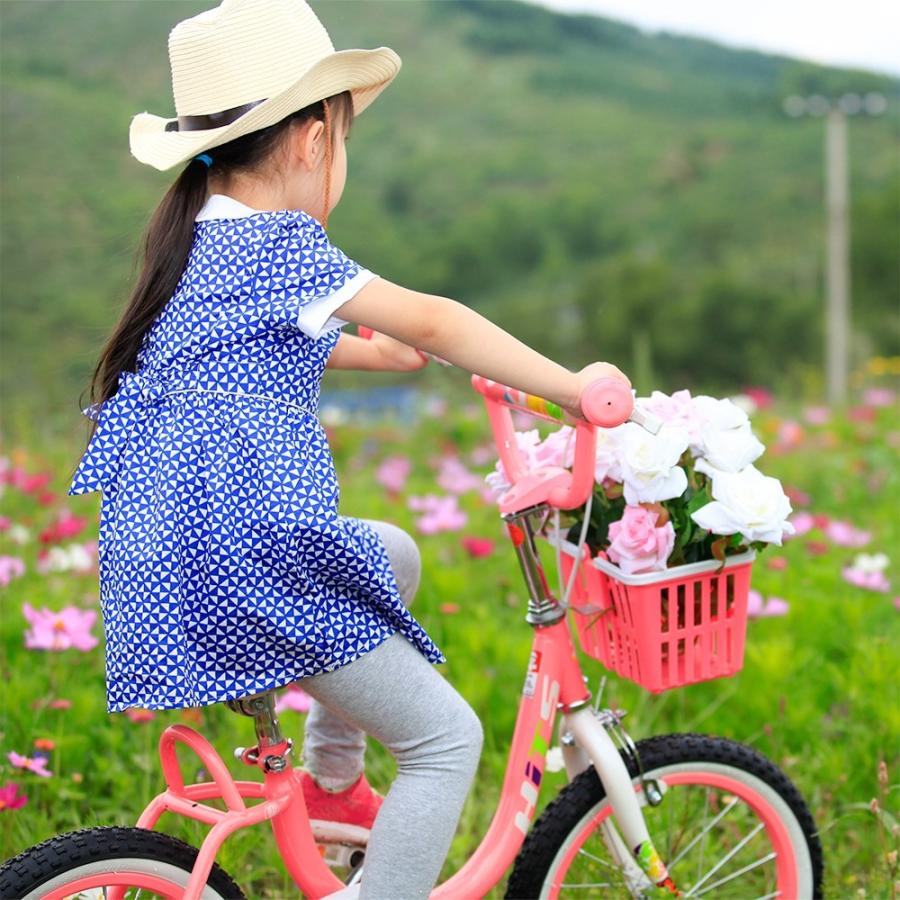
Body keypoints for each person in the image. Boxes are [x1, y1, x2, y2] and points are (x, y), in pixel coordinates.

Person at [67, 1, 630, 897]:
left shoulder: (193, 248)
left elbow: (257, 346)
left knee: (393, 552)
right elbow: (439, 320)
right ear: (310, 138)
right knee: (448, 742)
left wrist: (373, 349)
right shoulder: (283, 244)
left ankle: (335, 785)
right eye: (347, 137)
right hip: (254, 565)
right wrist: (574, 389)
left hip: (172, 562)